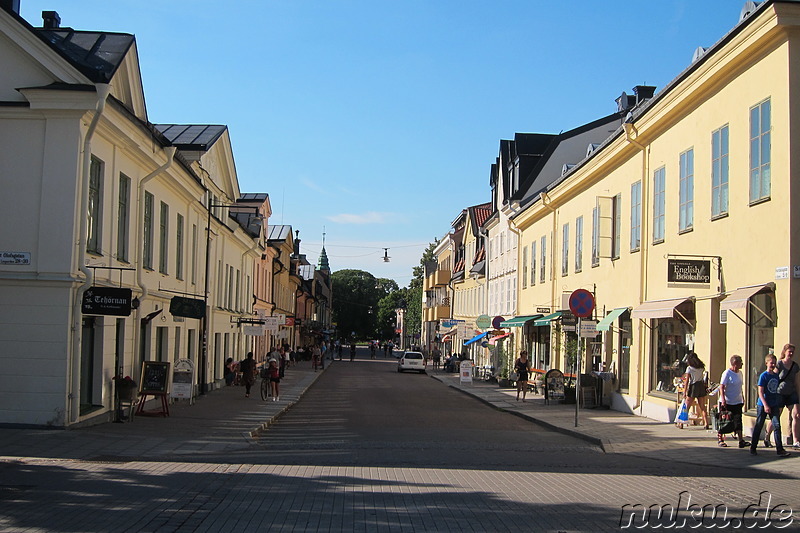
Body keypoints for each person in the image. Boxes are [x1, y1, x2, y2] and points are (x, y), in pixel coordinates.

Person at [750, 353, 790, 456]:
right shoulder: (764, 376)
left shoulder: (776, 376)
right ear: (766, 363)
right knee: (759, 425)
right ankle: (753, 447)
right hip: (763, 404)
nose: (773, 365)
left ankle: (780, 449)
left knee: (777, 425)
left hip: (774, 404)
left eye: (774, 363)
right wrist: (765, 405)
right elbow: (760, 392)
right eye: (771, 363)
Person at [716, 355, 748, 448]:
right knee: (724, 420)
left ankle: (741, 440)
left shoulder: (740, 373)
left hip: (737, 400)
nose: (742, 364)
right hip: (728, 400)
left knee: (738, 420)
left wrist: (743, 397)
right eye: (740, 362)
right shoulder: (727, 373)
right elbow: (722, 386)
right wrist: (723, 399)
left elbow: (740, 386)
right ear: (735, 363)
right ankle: (720, 439)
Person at [776, 343, 800, 448]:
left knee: (796, 415)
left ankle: (796, 440)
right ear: (784, 351)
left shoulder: (795, 366)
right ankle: (767, 436)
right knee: (776, 416)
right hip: (780, 392)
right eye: (789, 351)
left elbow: (796, 382)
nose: (791, 353)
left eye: (792, 352)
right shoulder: (779, 364)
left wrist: (798, 396)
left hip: (792, 393)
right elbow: (775, 378)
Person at [679, 352, 709, 429]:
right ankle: (706, 423)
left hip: (693, 386)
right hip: (701, 386)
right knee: (702, 406)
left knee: (687, 406)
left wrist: (684, 392)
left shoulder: (689, 368)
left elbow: (687, 381)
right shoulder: (701, 367)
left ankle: (681, 423)